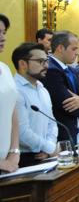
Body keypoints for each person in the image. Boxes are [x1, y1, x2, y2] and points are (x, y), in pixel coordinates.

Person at [41, 31, 79, 142]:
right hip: (61, 133)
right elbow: (68, 105)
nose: (77, 53)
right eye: (74, 49)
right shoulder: (51, 70)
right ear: (60, 48)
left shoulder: (71, 70)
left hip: (74, 131)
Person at [12, 43, 58, 166]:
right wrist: (49, 147)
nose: (46, 65)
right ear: (22, 64)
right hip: (23, 159)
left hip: (45, 154)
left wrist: (49, 146)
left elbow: (52, 122)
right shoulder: (15, 90)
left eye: (46, 61)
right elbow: (22, 132)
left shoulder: (42, 89)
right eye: (40, 61)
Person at [0, 14, 20, 173]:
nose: (2, 38)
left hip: (8, 162)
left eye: (4, 32)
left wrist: (14, 151)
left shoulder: (5, 69)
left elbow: (12, 111)